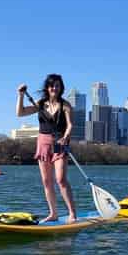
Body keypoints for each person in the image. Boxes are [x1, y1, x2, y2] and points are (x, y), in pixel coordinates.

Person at [17, 75, 77, 223]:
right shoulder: (40, 103)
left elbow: (70, 125)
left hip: (59, 142)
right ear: (47, 88)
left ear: (61, 88)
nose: (54, 88)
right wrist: (21, 95)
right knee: (46, 181)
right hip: (43, 142)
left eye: (57, 86)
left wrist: (66, 136)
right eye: (52, 86)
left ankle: (72, 214)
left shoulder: (65, 105)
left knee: (61, 179)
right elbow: (20, 113)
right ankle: (53, 213)